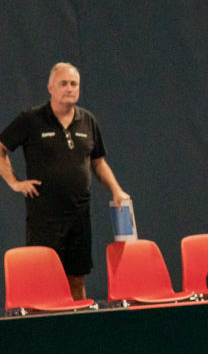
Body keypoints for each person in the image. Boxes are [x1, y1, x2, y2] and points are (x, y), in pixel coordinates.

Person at [0, 62, 129, 300]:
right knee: (43, 279)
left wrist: (117, 190)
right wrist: (15, 182)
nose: (69, 88)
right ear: (50, 87)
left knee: (76, 279)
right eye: (63, 83)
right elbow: (1, 149)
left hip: (79, 216)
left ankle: (79, 331)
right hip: (44, 218)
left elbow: (98, 163)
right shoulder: (31, 119)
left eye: (73, 84)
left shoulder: (88, 121)